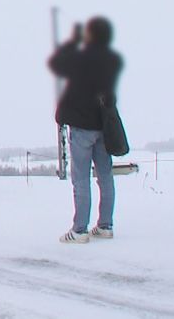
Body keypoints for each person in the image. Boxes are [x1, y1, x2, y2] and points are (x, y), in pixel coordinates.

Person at [50, 17, 122, 244]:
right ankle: (105, 225)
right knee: (105, 176)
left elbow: (56, 64)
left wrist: (73, 42)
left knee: (81, 179)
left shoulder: (80, 58)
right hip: (104, 125)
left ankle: (79, 229)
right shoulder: (113, 60)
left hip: (82, 126)